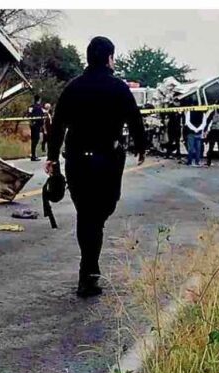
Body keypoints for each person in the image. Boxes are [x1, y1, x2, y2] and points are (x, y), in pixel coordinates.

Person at [45, 36, 146, 298]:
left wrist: (52, 157)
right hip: (107, 162)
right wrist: (142, 146)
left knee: (85, 214)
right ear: (110, 58)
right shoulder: (118, 88)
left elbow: (58, 125)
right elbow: (134, 120)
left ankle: (88, 269)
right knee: (100, 213)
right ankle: (88, 273)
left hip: (77, 161)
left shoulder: (72, 88)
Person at [26, 95, 45, 161]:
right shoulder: (40, 107)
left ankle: (33, 155)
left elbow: (28, 114)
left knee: (33, 140)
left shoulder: (31, 107)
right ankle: (33, 155)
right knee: (35, 140)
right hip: (37, 125)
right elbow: (42, 115)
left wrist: (31, 122)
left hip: (32, 125)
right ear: (39, 99)